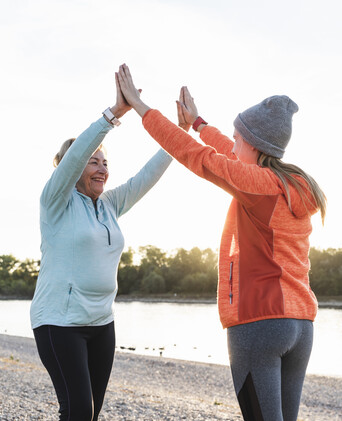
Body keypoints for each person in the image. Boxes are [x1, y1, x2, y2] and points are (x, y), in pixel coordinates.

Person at [117, 64, 326, 421]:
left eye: (238, 137)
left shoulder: (256, 185)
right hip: (300, 326)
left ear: (255, 145)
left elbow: (197, 157)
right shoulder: (294, 185)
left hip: (259, 323)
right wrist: (199, 124)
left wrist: (140, 107)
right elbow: (229, 153)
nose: (233, 143)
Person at [29, 72, 173, 421]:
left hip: (101, 323)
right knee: (78, 411)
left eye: (105, 162)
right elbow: (75, 157)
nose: (102, 168)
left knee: (91, 414)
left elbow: (146, 176)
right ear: (74, 168)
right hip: (59, 323)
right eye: (93, 161)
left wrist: (177, 134)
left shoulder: (109, 205)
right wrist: (113, 115)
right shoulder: (55, 203)